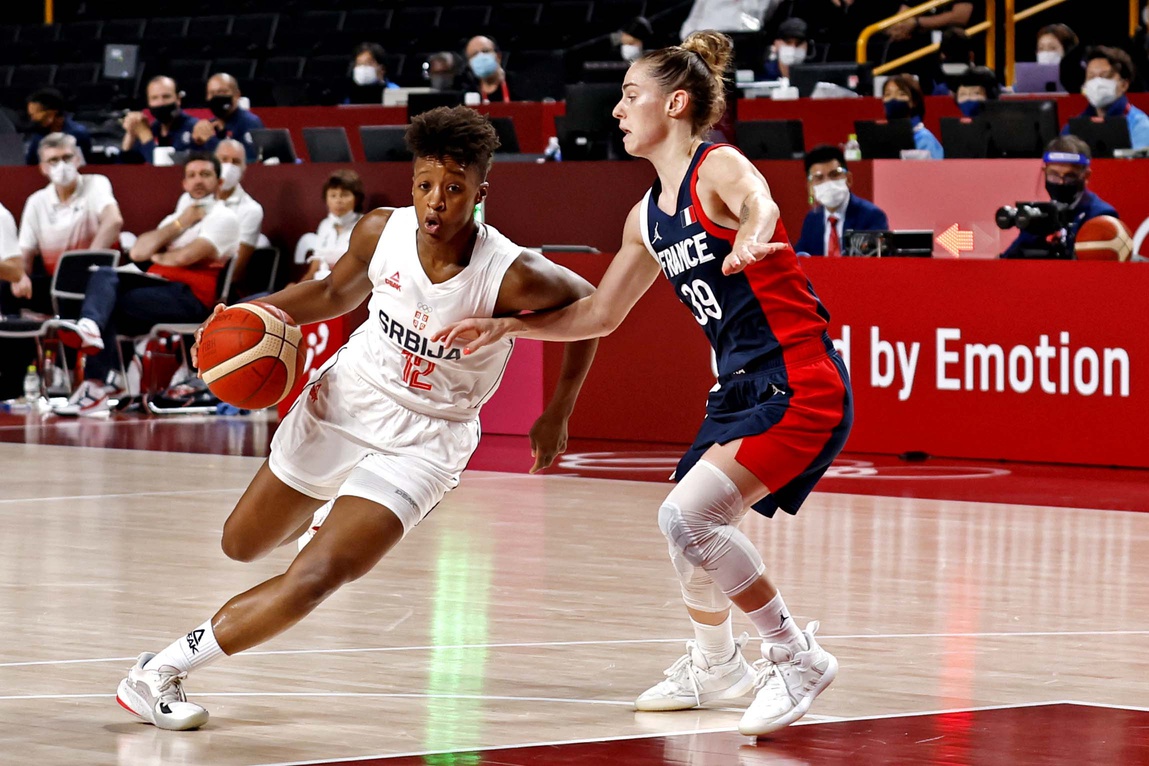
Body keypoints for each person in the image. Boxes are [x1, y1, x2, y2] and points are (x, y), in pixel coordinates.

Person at [113, 106, 598, 730]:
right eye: (425, 185)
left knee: (316, 576)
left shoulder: (513, 273)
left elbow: (590, 309)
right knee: (242, 545)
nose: (436, 202)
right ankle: (329, 506)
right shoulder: (380, 232)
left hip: (427, 439)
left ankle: (158, 672)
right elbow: (331, 293)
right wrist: (247, 315)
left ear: (481, 192)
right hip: (347, 401)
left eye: (454, 189)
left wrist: (558, 410)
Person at [436, 32, 852, 737]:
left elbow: (758, 201)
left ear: (677, 103)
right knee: (686, 533)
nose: (618, 110)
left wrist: (752, 232)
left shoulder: (716, 166)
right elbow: (599, 313)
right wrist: (509, 327)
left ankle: (793, 655)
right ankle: (716, 665)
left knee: (688, 519)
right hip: (740, 388)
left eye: (632, 96)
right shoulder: (646, 217)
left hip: (798, 379)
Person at [54, 153, 240, 416]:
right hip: (154, 291)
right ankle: (90, 336)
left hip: (190, 298)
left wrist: (160, 256)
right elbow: (139, 252)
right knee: (104, 275)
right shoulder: (177, 218)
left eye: (205, 174)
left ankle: (96, 384)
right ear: (184, 183)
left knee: (108, 303)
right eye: (192, 175)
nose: (198, 180)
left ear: (219, 182)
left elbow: (186, 257)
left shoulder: (224, 217)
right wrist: (181, 223)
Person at [11, 133, 122, 314]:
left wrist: (86, 264)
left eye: (67, 158)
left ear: (77, 159)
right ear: (43, 168)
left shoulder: (97, 183)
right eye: (53, 160)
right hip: (57, 285)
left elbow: (114, 221)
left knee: (102, 282)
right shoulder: (36, 202)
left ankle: (89, 326)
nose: (61, 165)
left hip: (99, 282)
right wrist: (20, 277)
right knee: (7, 286)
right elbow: (25, 253)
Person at [1001, 135, 1119, 260]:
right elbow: (1009, 257)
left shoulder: (1100, 215)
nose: (1061, 182)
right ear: (1044, 171)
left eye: (1070, 176)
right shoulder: (1040, 215)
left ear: (1086, 176)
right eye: (1054, 175)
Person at [176, 139, 265, 285]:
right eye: (223, 159)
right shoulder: (188, 199)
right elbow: (174, 241)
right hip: (174, 273)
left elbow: (235, 271)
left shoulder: (250, 210)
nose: (229, 166)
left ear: (244, 169)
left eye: (236, 162)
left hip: (208, 282)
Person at [794, 144, 889, 256]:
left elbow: (877, 258)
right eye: (819, 178)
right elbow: (800, 256)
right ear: (810, 186)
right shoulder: (812, 219)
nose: (828, 183)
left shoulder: (871, 216)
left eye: (834, 175)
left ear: (848, 179)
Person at [1063, 46, 1149, 151]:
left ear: (1124, 85)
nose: (1097, 83)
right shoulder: (1074, 126)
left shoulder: (1140, 125)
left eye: (1105, 76)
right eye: (1091, 77)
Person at [297, 169, 364, 281]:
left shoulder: (364, 225)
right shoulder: (324, 225)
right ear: (326, 199)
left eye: (345, 195)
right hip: (322, 282)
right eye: (333, 195)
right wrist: (297, 288)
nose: (338, 201)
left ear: (356, 199)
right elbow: (314, 266)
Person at [120, 76, 201, 165]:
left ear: (178, 99)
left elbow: (164, 167)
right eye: (154, 98)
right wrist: (130, 135)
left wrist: (145, 135)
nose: (160, 103)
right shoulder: (154, 128)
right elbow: (121, 168)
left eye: (166, 97)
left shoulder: (193, 128)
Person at [192, 73, 264, 162]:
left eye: (222, 92)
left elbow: (249, 160)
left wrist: (210, 141)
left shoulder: (250, 122)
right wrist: (197, 141)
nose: (217, 97)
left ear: (237, 95)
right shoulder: (209, 127)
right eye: (212, 93)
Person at [24, 88, 92, 167]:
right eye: (31, 115)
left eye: (35, 114)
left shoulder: (77, 134)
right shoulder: (38, 137)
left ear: (51, 114)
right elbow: (30, 165)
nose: (33, 119)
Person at [882, 74, 944, 159]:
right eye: (888, 94)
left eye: (901, 94)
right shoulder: (882, 138)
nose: (893, 98)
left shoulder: (925, 138)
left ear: (913, 101)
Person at [462, 35, 511, 103]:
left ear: (498, 56)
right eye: (474, 54)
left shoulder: (520, 86)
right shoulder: (467, 94)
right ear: (469, 64)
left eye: (485, 51)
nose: (481, 56)